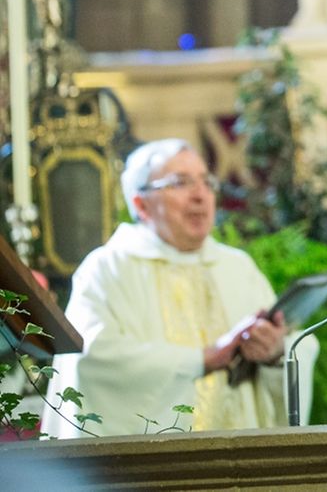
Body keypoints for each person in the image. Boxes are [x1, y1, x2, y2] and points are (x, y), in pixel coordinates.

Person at [42, 139, 300, 437]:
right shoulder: (107, 269)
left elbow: (296, 345)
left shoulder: (237, 267)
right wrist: (201, 359)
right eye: (181, 183)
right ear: (141, 204)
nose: (200, 196)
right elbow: (92, 357)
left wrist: (276, 353)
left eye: (206, 182)